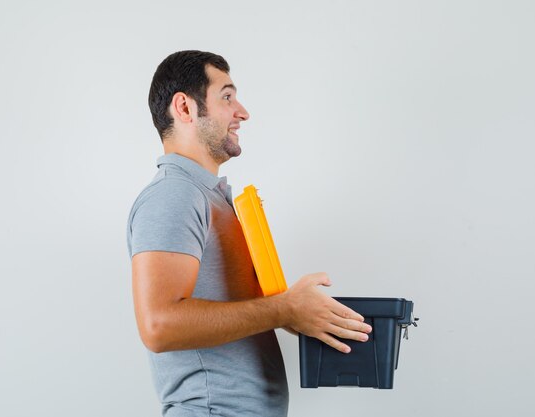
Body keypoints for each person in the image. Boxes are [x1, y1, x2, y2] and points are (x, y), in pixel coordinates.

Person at [126, 50, 372, 417]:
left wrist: (298, 314)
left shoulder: (209, 197)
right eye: (226, 97)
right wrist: (282, 308)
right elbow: (159, 325)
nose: (242, 112)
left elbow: (243, 312)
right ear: (185, 108)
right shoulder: (173, 195)